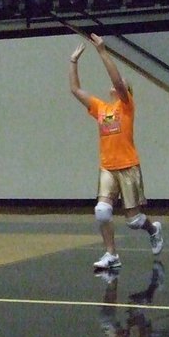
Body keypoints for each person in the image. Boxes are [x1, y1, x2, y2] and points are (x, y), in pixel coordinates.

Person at [68, 33, 163, 270]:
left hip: (128, 166)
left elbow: (118, 81)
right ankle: (112, 254)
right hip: (107, 167)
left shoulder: (127, 106)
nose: (114, 84)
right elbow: (75, 89)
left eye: (119, 84)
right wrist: (73, 62)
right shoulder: (101, 108)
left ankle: (153, 229)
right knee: (102, 212)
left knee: (133, 221)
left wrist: (102, 51)